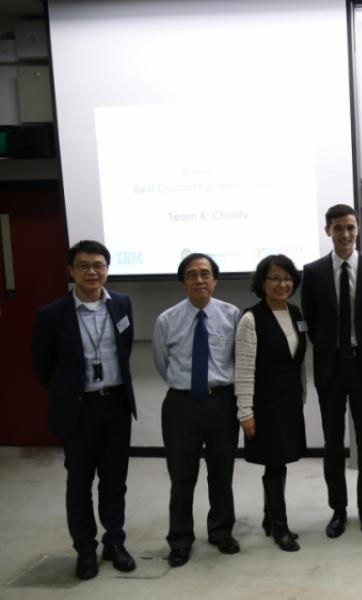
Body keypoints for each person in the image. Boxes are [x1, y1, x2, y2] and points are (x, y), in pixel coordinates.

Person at [32, 240, 138, 580]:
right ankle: (85, 549)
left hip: (116, 404)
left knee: (115, 480)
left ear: (107, 269)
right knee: (79, 482)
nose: (92, 272)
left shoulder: (122, 304)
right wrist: (71, 394)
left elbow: (125, 350)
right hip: (79, 410)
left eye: (98, 265)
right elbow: (43, 367)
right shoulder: (51, 314)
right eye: (83, 266)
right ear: (71, 270)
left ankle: (114, 542)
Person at [301, 204, 362, 537]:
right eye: (338, 228)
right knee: (332, 443)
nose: (345, 234)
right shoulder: (312, 272)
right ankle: (338, 510)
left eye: (350, 227)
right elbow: (310, 320)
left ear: (358, 229)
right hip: (330, 368)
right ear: (328, 230)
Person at [153, 253, 241, 567]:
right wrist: (188, 388)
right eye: (192, 274)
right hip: (181, 405)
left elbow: (237, 360)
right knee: (182, 476)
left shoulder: (232, 315)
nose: (199, 280)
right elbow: (162, 363)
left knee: (222, 473)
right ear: (183, 281)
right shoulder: (167, 319)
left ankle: (221, 532)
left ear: (215, 280)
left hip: (221, 402)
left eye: (205, 274)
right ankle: (179, 540)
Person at [235, 255, 307, 552]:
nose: (282, 284)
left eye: (287, 278)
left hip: (289, 403)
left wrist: (302, 396)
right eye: (275, 278)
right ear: (262, 282)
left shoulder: (296, 312)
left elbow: (299, 361)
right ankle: (280, 527)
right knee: (274, 465)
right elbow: (243, 369)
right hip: (264, 406)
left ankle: (269, 517)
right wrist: (245, 413)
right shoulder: (250, 319)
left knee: (281, 462)